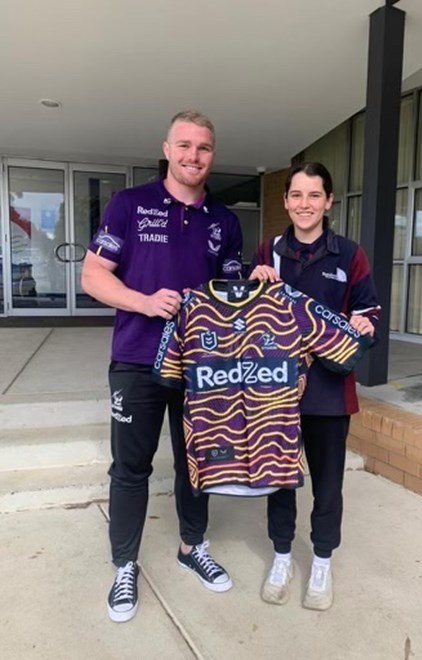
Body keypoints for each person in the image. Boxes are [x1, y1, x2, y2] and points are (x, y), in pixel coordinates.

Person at [81, 110, 243, 623]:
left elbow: (231, 295)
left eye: (204, 147)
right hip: (137, 360)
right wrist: (145, 302)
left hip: (201, 365)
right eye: (185, 145)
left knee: (199, 463)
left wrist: (256, 284)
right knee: (131, 468)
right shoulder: (130, 205)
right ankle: (124, 565)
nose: (194, 155)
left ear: (212, 155)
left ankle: (192, 546)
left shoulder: (225, 221)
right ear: (167, 149)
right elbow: (93, 275)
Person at [249, 161, 380, 611]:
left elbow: (369, 312)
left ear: (328, 202)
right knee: (279, 480)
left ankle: (321, 562)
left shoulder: (350, 255)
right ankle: (282, 557)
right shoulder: (268, 252)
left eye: (314, 195)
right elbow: (246, 319)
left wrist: (364, 326)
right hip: (275, 392)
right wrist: (253, 284)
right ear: (286, 201)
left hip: (329, 393)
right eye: (297, 195)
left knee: (327, 485)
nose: (304, 204)